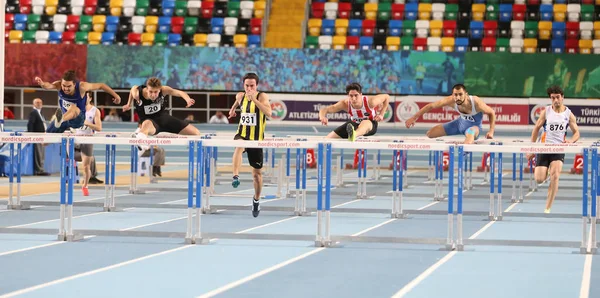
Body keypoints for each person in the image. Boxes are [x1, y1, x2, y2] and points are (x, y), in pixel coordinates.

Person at [527, 85, 580, 214]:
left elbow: (577, 132)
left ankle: (548, 207)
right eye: (553, 98)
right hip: (544, 147)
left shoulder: (568, 114)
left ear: (562, 97)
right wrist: (532, 148)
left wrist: (571, 140)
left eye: (557, 97)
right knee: (539, 179)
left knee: (555, 176)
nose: (556, 100)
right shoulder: (546, 111)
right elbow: (536, 129)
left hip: (558, 148)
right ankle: (546, 168)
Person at [227, 72, 271, 217]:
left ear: (256, 86)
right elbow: (236, 103)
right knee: (239, 146)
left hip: (256, 139)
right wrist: (233, 110)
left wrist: (255, 101)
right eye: (247, 85)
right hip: (242, 134)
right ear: (243, 85)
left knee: (257, 175)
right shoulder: (240, 96)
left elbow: (269, 113)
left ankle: (256, 200)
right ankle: (235, 177)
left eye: (252, 86)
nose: (249, 88)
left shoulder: (262, 96)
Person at [123, 77, 200, 152]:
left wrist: (188, 99)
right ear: (147, 89)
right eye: (150, 92)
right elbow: (133, 88)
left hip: (164, 119)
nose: (153, 95)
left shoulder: (164, 90)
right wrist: (128, 104)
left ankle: (143, 133)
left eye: (156, 92)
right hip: (150, 122)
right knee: (146, 124)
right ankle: (140, 136)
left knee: (196, 133)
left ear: (160, 90)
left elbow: (179, 92)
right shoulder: (138, 94)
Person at [405, 83, 496, 144]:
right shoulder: (451, 100)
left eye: (460, 94)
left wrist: (491, 131)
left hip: (474, 128)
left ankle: (464, 153)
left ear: (466, 94)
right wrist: (414, 118)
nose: (458, 97)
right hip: (458, 124)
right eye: (455, 95)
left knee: (470, 132)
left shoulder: (475, 102)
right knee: (430, 134)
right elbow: (431, 106)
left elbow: (491, 112)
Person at [34, 70, 120, 133]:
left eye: (69, 86)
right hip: (65, 119)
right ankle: (60, 120)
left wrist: (116, 96)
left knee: (73, 108)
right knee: (46, 138)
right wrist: (42, 84)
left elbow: (101, 85)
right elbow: (48, 86)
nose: (65, 89)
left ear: (74, 84)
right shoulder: (59, 85)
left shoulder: (82, 87)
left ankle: (60, 119)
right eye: (64, 86)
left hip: (78, 119)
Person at [318, 82, 390, 141]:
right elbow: (325, 109)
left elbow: (386, 97)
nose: (354, 98)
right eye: (351, 96)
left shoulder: (371, 101)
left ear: (361, 94)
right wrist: (322, 117)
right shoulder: (345, 104)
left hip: (370, 124)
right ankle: (352, 133)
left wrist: (381, 114)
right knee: (327, 140)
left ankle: (354, 135)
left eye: (356, 95)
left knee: (365, 122)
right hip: (353, 124)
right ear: (348, 96)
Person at [71, 92, 102, 196]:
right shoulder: (74, 108)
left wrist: (87, 123)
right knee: (68, 157)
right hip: (75, 139)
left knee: (85, 166)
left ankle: (85, 186)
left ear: (90, 98)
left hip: (87, 139)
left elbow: (99, 128)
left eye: (85, 97)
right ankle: (88, 158)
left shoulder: (95, 111)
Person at [27, 98, 50, 176]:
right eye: (37, 102)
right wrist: (31, 136)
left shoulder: (40, 113)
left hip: (42, 136)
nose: (39, 104)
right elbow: (30, 124)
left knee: (42, 153)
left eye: (40, 102)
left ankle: (41, 169)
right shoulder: (33, 113)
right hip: (37, 136)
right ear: (33, 104)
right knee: (39, 153)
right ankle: (39, 170)